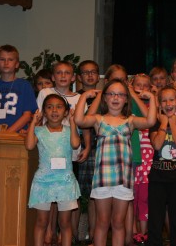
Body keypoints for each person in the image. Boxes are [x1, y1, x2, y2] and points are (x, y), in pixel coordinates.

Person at [74, 79, 157, 246]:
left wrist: (152, 99)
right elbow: (80, 120)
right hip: (102, 180)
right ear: (105, 98)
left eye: (120, 94)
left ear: (126, 99)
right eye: (111, 94)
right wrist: (84, 96)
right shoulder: (98, 119)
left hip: (123, 180)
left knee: (118, 223)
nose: (115, 97)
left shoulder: (131, 121)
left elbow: (150, 121)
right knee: (102, 222)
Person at [36, 60, 91, 244]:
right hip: (47, 154)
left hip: (69, 155)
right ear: (53, 77)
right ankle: (49, 232)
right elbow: (38, 117)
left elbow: (85, 127)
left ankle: (65, 234)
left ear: (74, 77)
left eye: (67, 73)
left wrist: (88, 146)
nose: (63, 76)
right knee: (48, 197)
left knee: (66, 197)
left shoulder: (78, 98)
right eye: (59, 72)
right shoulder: (45, 93)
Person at [26, 94, 81, 246]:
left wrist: (72, 121)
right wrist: (33, 123)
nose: (54, 110)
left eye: (59, 107)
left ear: (65, 111)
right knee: (42, 221)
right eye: (49, 107)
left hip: (65, 182)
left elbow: (76, 144)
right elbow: (29, 145)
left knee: (65, 222)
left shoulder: (70, 130)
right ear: (43, 112)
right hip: (43, 182)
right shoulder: (39, 131)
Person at [147, 85, 176, 246]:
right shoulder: (155, 124)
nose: (168, 103)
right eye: (164, 100)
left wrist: (172, 123)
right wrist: (163, 123)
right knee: (155, 220)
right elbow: (157, 145)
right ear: (159, 104)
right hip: (157, 179)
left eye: (171, 99)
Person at [76, 60, 100, 245]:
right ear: (79, 77)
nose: (90, 75)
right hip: (78, 148)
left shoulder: (105, 97)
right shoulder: (76, 98)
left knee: (94, 194)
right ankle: (76, 234)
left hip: (100, 148)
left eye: (93, 72)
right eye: (85, 72)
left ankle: (93, 234)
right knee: (77, 193)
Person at [129, 73, 154, 245]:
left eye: (146, 85)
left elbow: (149, 119)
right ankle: (132, 230)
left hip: (148, 161)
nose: (142, 88)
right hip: (131, 158)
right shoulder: (128, 104)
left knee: (144, 197)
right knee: (131, 196)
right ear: (131, 85)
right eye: (138, 85)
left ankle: (144, 232)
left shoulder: (152, 105)